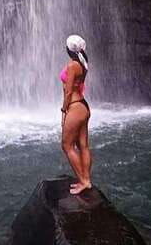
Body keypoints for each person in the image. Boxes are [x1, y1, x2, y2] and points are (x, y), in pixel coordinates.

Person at [60, 34, 91, 194]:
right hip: (83, 106)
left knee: (66, 145)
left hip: (74, 107)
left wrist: (64, 110)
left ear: (69, 49)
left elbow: (68, 91)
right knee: (83, 145)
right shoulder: (83, 63)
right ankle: (87, 180)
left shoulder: (72, 65)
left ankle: (83, 181)